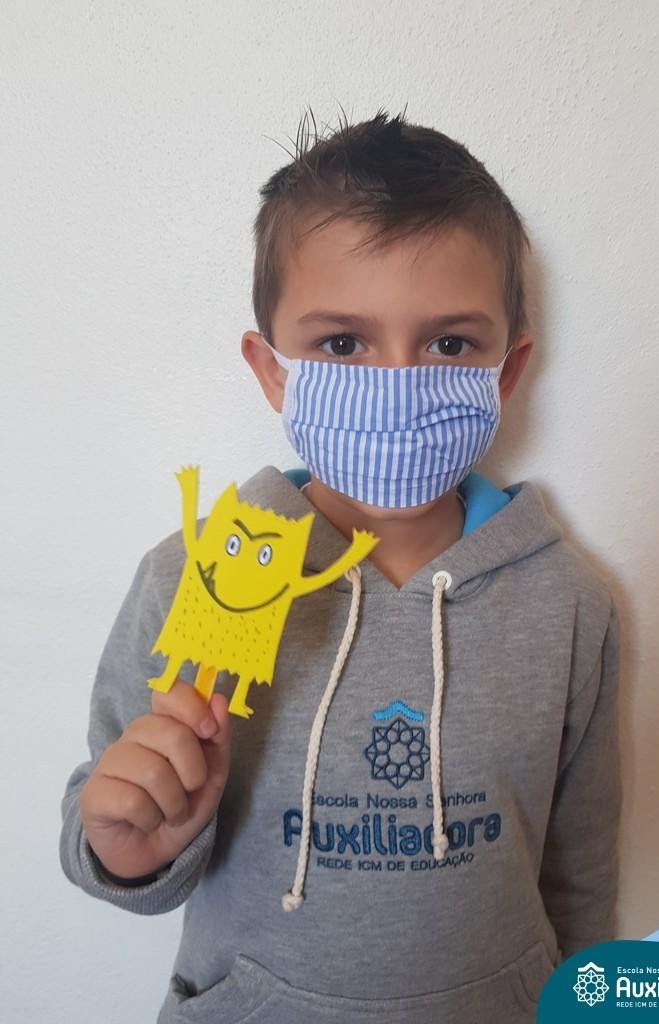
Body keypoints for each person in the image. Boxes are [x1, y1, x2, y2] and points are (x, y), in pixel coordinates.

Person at [60, 108, 623, 1024]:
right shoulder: (199, 575)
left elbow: (581, 867)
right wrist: (128, 846)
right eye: (342, 344)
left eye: (449, 343)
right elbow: (114, 818)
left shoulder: (566, 602)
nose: (396, 383)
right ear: (273, 370)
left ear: (506, 371)